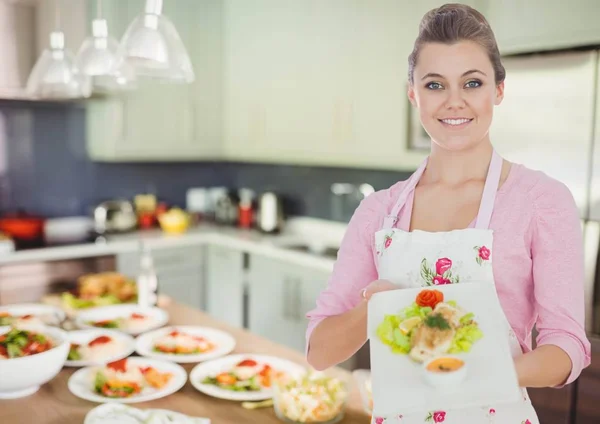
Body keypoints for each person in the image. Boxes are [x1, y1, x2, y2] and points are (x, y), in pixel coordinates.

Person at [304, 3, 591, 424]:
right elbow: (318, 351)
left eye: (472, 83)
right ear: (413, 95)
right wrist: (374, 310)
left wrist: (487, 375)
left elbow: (568, 347)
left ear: (498, 90)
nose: (454, 102)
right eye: (435, 85)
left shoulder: (541, 201)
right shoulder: (378, 212)